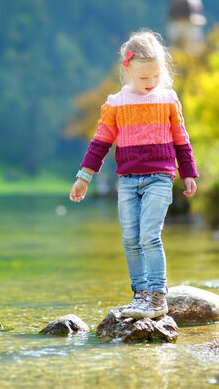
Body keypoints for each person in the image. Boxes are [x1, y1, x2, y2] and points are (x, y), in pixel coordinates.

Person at [69, 29, 198, 319]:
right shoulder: (116, 103)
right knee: (130, 238)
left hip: (160, 178)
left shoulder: (168, 99)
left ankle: (157, 296)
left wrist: (189, 172)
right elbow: (100, 142)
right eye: (143, 78)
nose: (150, 83)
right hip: (127, 182)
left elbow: (181, 139)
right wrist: (84, 177)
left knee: (150, 236)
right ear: (127, 70)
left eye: (155, 77)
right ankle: (139, 295)